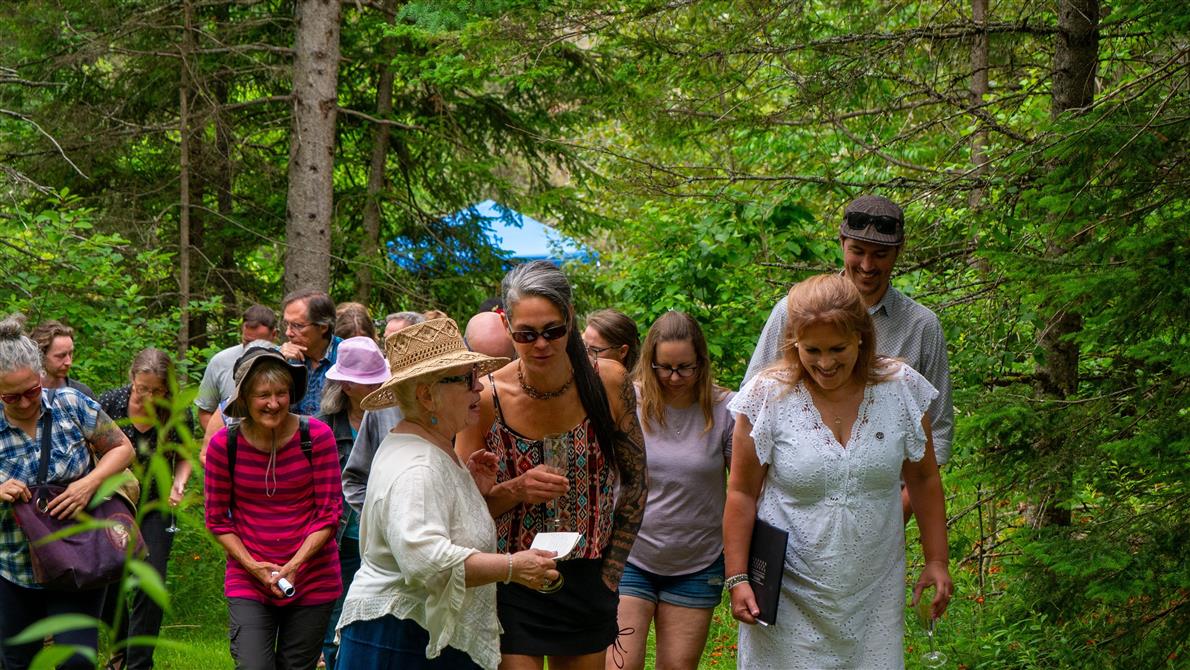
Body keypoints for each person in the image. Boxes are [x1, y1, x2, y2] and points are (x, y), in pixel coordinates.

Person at [724, 275, 952, 668]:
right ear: (793, 341)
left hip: (873, 590)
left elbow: (924, 478)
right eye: (811, 349)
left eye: (838, 349)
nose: (825, 363)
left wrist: (937, 561)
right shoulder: (767, 395)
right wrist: (738, 577)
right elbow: (742, 492)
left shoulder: (901, 389)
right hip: (788, 589)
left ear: (861, 337)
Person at [335, 318, 558, 669]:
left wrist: (469, 491)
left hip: (416, 635)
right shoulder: (417, 465)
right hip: (401, 642)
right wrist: (514, 567)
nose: (479, 390)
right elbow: (427, 560)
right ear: (426, 395)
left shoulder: (430, 446)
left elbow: (434, 523)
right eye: (467, 379)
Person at [457, 260, 648, 670]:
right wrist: (515, 489)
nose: (540, 344)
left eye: (553, 331)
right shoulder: (486, 399)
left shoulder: (608, 382)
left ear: (570, 319)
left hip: (587, 575)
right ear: (508, 327)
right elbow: (462, 512)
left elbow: (636, 483)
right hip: (512, 576)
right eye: (526, 334)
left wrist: (611, 572)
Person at [744, 195, 954, 476]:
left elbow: (937, 433)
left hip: (887, 498)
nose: (867, 266)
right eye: (858, 251)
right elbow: (750, 410)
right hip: (799, 498)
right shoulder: (793, 312)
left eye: (880, 254)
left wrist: (900, 510)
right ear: (842, 242)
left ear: (898, 251)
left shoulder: (921, 326)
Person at [0, 314, 135, 669]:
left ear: (40, 376)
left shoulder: (72, 405)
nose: (26, 402)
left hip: (77, 561)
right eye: (12, 397)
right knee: (17, 661)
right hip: (12, 568)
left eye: (32, 390)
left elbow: (122, 448)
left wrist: (88, 483)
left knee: (76, 661)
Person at [609, 311, 734, 670]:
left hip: (697, 560)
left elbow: (742, 489)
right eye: (664, 368)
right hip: (632, 555)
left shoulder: (726, 409)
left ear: (702, 363)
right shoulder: (627, 401)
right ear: (649, 362)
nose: (675, 378)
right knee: (620, 665)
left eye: (685, 368)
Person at [203, 347, 342, 670]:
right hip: (248, 576)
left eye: (281, 393)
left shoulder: (317, 436)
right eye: (263, 395)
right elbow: (217, 520)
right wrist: (253, 566)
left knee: (297, 666)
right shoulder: (226, 444)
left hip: (313, 578)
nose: (274, 403)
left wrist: (294, 565)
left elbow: (329, 514)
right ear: (245, 399)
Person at [98, 348, 196, 670]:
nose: (149, 396)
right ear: (132, 380)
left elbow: (184, 456)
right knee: (111, 582)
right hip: (114, 503)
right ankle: (121, 652)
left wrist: (180, 484)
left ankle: (139, 664)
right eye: (143, 389)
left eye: (158, 390)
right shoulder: (110, 403)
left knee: (150, 581)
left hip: (157, 504)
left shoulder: (177, 412)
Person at [314, 337, 389, 670]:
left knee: (379, 622)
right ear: (345, 384)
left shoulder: (393, 417)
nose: (377, 385)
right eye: (367, 380)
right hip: (343, 540)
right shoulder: (325, 427)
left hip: (386, 538)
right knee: (337, 620)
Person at [194, 304, 278, 432]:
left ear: (274, 335)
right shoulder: (220, 361)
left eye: (259, 344)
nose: (251, 349)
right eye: (247, 342)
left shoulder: (287, 360)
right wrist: (224, 442)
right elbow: (205, 412)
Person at [280, 290, 341, 416]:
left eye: (297, 325)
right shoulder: (282, 355)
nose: (288, 333)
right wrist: (278, 361)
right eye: (287, 324)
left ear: (323, 327)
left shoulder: (345, 357)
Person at [29, 319, 95, 400]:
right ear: (40, 356)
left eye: (70, 353)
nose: (68, 362)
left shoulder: (82, 394)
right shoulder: (25, 395)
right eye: (61, 356)